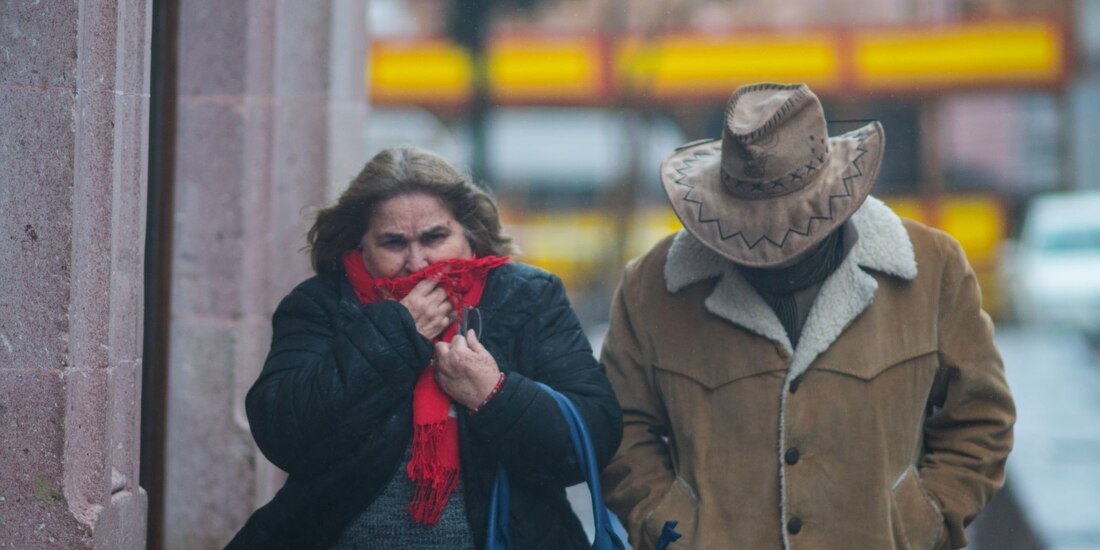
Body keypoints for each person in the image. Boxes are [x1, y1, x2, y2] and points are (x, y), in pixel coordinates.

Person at [600, 83, 1015, 549]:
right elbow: (619, 430)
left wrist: (925, 519)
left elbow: (982, 417)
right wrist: (670, 525)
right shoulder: (652, 288)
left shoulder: (932, 270)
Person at [226, 147, 623, 549]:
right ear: (360, 244)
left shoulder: (530, 296)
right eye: (393, 243)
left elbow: (594, 434)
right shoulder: (322, 304)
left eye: (435, 237)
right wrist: (397, 335)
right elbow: (284, 432)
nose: (417, 263)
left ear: (470, 232)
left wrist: (494, 394)